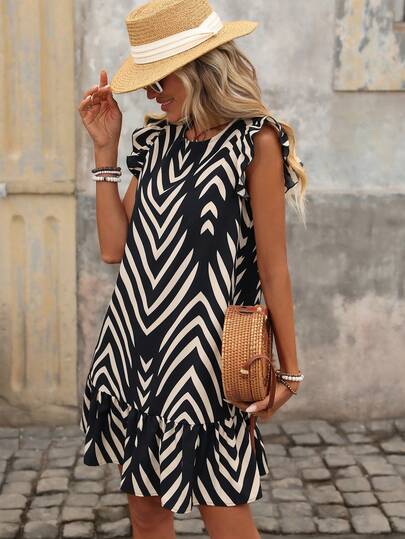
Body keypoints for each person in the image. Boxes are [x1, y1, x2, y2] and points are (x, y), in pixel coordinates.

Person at [77, 0, 308, 537]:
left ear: (199, 68)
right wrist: (105, 152)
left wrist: (290, 372)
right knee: (145, 515)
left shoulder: (256, 141)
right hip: (135, 349)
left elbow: (273, 266)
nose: (152, 95)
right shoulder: (158, 141)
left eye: (160, 80)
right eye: (148, 84)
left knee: (224, 515)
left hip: (207, 361)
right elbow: (114, 248)